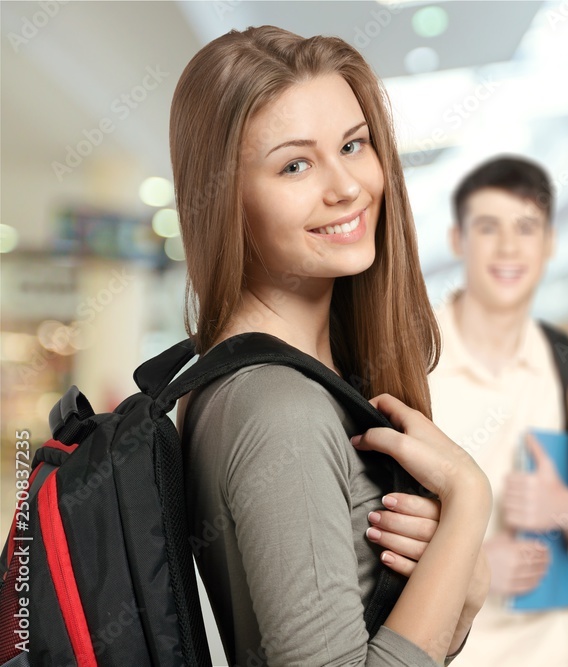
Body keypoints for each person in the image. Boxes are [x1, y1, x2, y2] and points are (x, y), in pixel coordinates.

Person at [173, 26, 491, 667]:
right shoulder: (278, 408)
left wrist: (465, 585)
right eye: (295, 164)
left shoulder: (277, 381)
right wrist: (468, 503)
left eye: (353, 145)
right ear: (228, 202)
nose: (346, 186)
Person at [427, 156, 568, 666]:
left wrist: (566, 508)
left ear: (549, 242)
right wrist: (472, 566)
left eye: (526, 228)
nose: (508, 248)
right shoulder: (409, 358)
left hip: (556, 653)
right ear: (457, 239)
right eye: (487, 227)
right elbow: (365, 521)